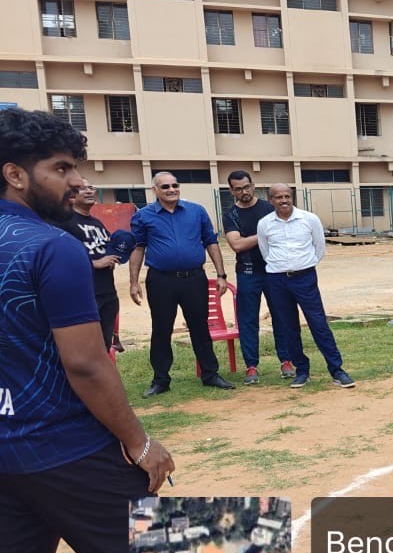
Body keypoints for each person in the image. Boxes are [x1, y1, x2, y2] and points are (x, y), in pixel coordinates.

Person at [0, 107, 180, 553]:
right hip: (69, 448)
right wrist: (140, 441)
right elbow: (85, 364)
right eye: (61, 167)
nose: (76, 180)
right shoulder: (51, 246)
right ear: (15, 175)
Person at [128, 171, 234, 396]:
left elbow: (211, 242)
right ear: (155, 190)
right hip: (160, 281)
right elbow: (138, 248)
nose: (171, 190)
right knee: (161, 330)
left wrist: (221, 274)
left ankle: (210, 374)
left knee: (200, 327)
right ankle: (161, 380)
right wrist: (133, 282)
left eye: (175, 185)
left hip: (194, 279)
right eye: (165, 187)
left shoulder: (196, 211)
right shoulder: (144, 216)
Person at [257, 184, 356, 389]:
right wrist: (283, 268)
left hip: (305, 278)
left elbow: (319, 248)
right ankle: (301, 370)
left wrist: (304, 265)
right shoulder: (264, 224)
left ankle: (337, 369)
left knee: (318, 323)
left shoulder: (309, 219)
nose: (284, 200)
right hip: (277, 280)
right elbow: (265, 252)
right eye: (278, 197)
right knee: (288, 326)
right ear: (270, 200)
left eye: (287, 196)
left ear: (292, 197)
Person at [222, 170, 294, 384]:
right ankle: (251, 366)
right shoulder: (230, 216)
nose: (243, 192)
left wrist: (252, 238)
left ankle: (286, 361)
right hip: (247, 272)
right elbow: (237, 244)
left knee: (281, 316)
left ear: (253, 185)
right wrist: (265, 234)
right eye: (238, 189)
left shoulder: (269, 208)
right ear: (231, 191)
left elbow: (284, 233)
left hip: (275, 270)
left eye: (246, 187)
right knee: (247, 320)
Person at [58, 183, 120, 349]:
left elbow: (107, 248)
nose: (89, 191)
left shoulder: (97, 223)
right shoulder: (64, 222)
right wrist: (94, 263)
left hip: (107, 292)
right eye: (83, 188)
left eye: (91, 188)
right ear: (72, 195)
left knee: (105, 344)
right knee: (85, 347)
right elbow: (59, 257)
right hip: (84, 294)